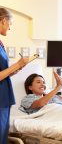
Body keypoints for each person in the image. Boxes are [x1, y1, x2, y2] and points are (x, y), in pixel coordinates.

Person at [0, 8, 29, 144]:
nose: (10, 28)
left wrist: (13, 71)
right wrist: (17, 64)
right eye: (10, 23)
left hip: (4, 97)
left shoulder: (1, 44)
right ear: (3, 20)